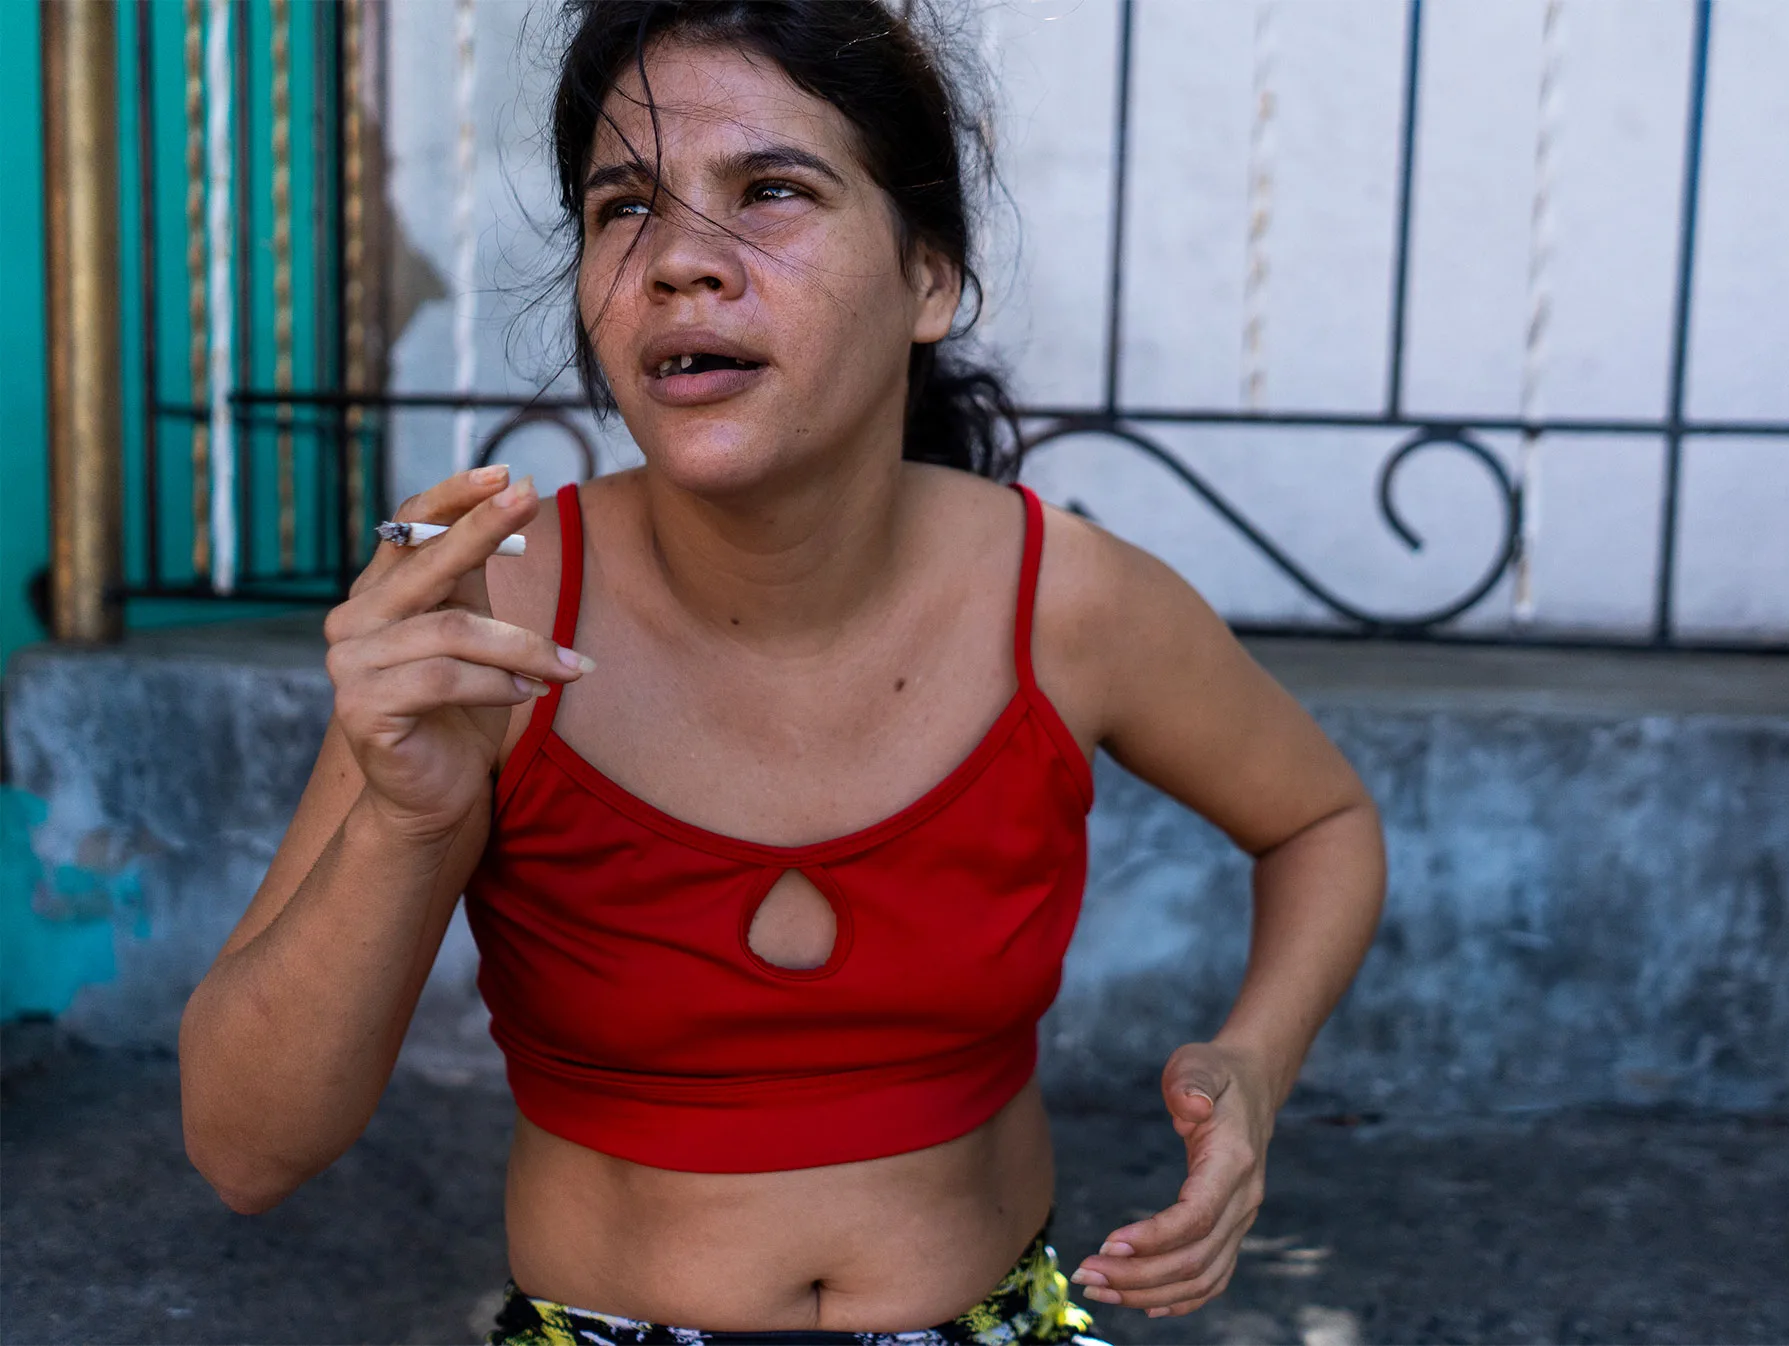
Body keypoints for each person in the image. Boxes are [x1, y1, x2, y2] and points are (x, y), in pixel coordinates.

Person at [177, 2, 1386, 1342]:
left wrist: (1257, 1068)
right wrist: (409, 820)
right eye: (623, 207)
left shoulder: (1071, 604)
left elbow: (1321, 820)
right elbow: (245, 1149)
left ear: (931, 278)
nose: (683, 260)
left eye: (771, 190)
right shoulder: (486, 617)